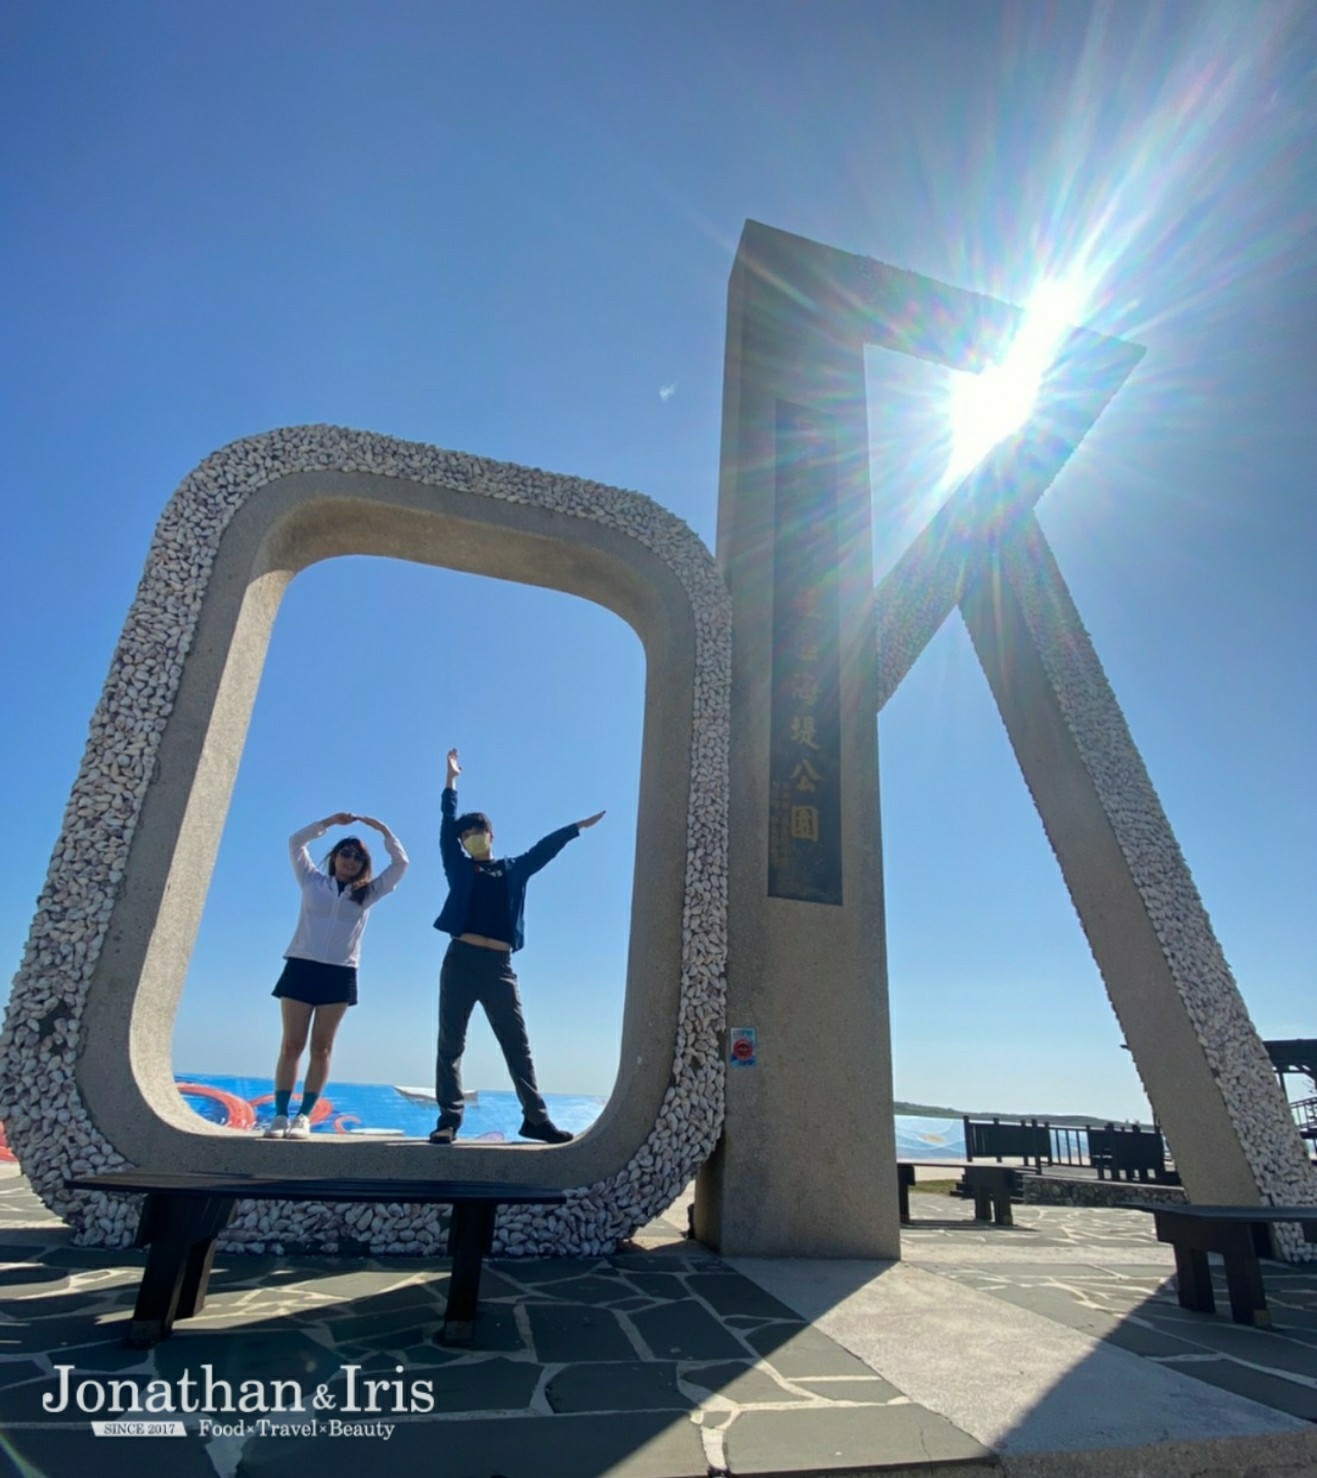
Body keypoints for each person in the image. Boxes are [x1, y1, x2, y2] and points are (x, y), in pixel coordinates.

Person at [430, 747, 603, 1145]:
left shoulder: (514, 869)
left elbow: (545, 849)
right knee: (450, 1043)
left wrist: (577, 828)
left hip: (499, 967)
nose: (471, 838)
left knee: (517, 1045)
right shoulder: (457, 866)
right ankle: (448, 1120)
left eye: (477, 832)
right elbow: (444, 826)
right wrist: (450, 782)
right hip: (461, 959)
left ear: (491, 835)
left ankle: (536, 1120)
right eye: (466, 834)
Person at [266, 813, 408, 1139]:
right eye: (346, 853)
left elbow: (401, 865)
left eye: (358, 857)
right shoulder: (312, 880)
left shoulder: (368, 893)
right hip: (301, 967)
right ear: (335, 857)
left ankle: (303, 1117)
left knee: (322, 1047)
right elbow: (295, 842)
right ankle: (279, 1116)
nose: (351, 861)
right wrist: (328, 823)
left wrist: (384, 830)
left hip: (340, 973)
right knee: (291, 1044)